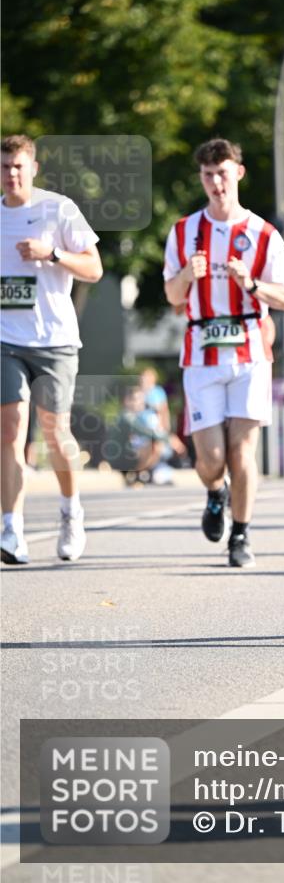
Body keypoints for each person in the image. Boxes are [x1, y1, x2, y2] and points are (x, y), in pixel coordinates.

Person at [163, 136, 284, 568]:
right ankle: (214, 491)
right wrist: (187, 274)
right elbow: (170, 294)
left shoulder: (263, 234)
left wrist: (253, 285)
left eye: (223, 173)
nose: (216, 183)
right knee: (210, 459)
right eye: (208, 175)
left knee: (242, 452)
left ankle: (240, 535)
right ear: (201, 178)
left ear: (237, 173)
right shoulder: (184, 231)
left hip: (249, 353)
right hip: (201, 353)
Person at [1, 134, 103, 565]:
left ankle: (70, 512)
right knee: (9, 431)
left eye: (18, 166)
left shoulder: (57, 208)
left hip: (55, 341)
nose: (11, 174)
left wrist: (53, 253)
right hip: (6, 339)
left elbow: (94, 268)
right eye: (4, 167)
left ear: (33, 168)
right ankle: (11, 527)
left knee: (57, 434)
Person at [105, 385, 169, 485]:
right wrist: (167, 438)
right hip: (118, 458)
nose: (139, 403)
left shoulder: (134, 416)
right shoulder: (127, 417)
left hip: (123, 454)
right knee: (154, 444)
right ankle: (136, 473)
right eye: (135, 399)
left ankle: (140, 473)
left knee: (153, 444)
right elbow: (145, 432)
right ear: (127, 401)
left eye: (141, 400)